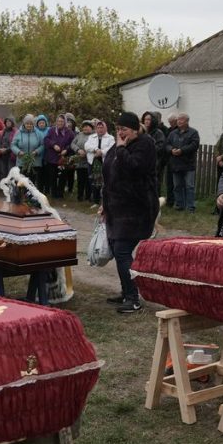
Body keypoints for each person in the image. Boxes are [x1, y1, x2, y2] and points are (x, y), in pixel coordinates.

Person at [100, 112, 159, 314]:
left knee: (122, 250)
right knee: (118, 249)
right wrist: (104, 203)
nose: (120, 133)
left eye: (124, 129)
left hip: (137, 208)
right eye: (118, 129)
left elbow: (134, 167)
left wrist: (121, 149)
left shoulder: (145, 144)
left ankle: (133, 298)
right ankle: (126, 292)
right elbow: (109, 174)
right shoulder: (119, 146)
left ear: (135, 129)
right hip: (117, 207)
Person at [166, 112, 200, 212]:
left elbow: (194, 145)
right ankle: (179, 205)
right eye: (178, 119)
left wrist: (182, 150)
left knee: (189, 186)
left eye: (181, 119)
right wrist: (171, 150)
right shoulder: (173, 133)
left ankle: (190, 207)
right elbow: (167, 144)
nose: (179, 121)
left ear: (187, 121)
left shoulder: (193, 133)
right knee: (177, 186)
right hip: (176, 164)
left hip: (188, 164)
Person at [84, 119, 115, 206]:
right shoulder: (91, 137)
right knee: (93, 181)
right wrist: (95, 149)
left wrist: (101, 152)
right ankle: (96, 201)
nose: (100, 129)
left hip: (105, 163)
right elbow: (86, 146)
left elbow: (111, 148)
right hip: (93, 162)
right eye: (98, 127)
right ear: (96, 128)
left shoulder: (110, 138)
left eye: (102, 127)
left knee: (104, 182)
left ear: (105, 128)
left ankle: (104, 201)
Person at [43, 114, 75, 198]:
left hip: (63, 159)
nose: (60, 123)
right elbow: (46, 140)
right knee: (53, 177)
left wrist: (66, 150)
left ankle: (60, 194)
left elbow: (72, 144)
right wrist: (53, 145)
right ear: (56, 122)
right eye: (58, 121)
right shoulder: (51, 130)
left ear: (65, 122)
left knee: (62, 177)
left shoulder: (69, 132)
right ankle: (53, 194)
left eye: (62, 121)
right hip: (52, 158)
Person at [11, 114, 45, 182]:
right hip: (22, 162)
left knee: (32, 182)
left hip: (34, 162)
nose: (29, 125)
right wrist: (18, 152)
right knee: (21, 181)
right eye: (27, 123)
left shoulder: (38, 133)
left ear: (33, 124)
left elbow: (43, 145)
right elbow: (13, 145)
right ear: (24, 124)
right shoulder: (18, 133)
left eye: (31, 124)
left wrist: (36, 151)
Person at [141, 112, 167, 197]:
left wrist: (147, 150)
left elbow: (160, 147)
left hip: (154, 163)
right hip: (142, 162)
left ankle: (155, 201)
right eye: (145, 119)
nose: (146, 121)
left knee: (154, 184)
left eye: (149, 119)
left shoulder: (158, 133)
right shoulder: (142, 132)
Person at [71, 120, 95, 202]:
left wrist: (86, 152)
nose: (85, 128)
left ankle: (88, 196)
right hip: (79, 161)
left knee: (89, 180)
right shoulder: (79, 135)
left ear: (91, 128)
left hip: (90, 161)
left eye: (87, 126)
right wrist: (78, 150)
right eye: (84, 127)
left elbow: (95, 146)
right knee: (80, 179)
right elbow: (72, 144)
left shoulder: (94, 136)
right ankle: (80, 196)